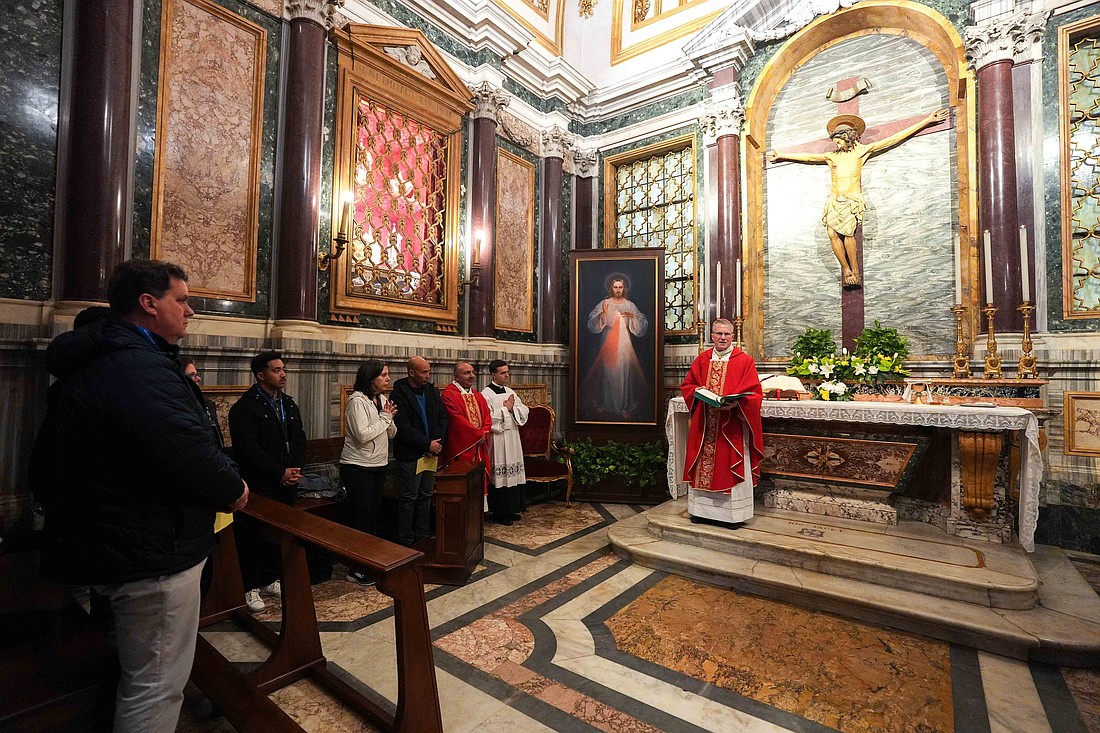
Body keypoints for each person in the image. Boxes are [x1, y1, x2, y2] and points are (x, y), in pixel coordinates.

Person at [30, 259, 248, 733]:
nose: (191, 311)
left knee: (139, 670)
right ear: (149, 304)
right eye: (183, 300)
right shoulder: (136, 368)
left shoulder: (106, 358)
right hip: (150, 550)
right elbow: (188, 450)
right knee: (155, 684)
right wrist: (234, 489)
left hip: (119, 537)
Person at [766, 108, 948, 287]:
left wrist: (927, 120)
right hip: (834, 200)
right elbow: (809, 157)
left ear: (848, 137)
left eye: (839, 141)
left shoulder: (861, 152)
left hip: (851, 200)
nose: (837, 145)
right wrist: (782, 155)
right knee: (831, 234)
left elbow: (893, 139)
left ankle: (855, 271)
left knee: (847, 235)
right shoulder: (832, 157)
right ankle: (846, 270)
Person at [228, 350, 307, 612]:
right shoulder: (245, 407)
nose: (283, 374)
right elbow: (249, 451)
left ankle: (270, 578)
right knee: (253, 535)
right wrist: (278, 473)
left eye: (283, 369)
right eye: (276, 370)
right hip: (261, 483)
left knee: (278, 534)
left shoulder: (289, 404)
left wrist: (294, 469)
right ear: (261, 375)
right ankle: (250, 585)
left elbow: (298, 439)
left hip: (287, 480)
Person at [681, 318, 765, 527]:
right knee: (702, 464)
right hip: (705, 424)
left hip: (731, 425)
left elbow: (754, 394)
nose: (723, 338)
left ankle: (731, 516)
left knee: (730, 463)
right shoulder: (702, 359)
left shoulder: (744, 361)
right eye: (718, 334)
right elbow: (688, 385)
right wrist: (698, 392)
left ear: (733, 336)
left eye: (727, 334)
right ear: (712, 336)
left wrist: (736, 404)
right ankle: (700, 512)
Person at [340, 359, 397, 584]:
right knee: (360, 517)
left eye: (387, 374)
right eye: (383, 375)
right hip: (358, 466)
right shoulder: (356, 401)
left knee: (373, 515)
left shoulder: (381, 399)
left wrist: (389, 418)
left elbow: (391, 433)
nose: (387, 378)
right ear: (370, 377)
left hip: (378, 465)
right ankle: (356, 568)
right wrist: (385, 418)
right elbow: (362, 436)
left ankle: (369, 561)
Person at [390, 356, 447, 546]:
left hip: (431, 452)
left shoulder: (431, 391)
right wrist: (426, 444)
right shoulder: (399, 393)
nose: (427, 376)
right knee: (409, 496)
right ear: (411, 372)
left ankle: (422, 534)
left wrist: (435, 443)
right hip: (410, 454)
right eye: (424, 372)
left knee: (426, 494)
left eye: (429, 371)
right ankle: (406, 538)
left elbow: (442, 418)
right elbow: (403, 427)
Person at [583, 273, 649, 420]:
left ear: (624, 288)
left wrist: (632, 317)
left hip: (624, 342)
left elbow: (641, 321)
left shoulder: (629, 305)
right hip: (608, 340)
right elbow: (592, 322)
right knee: (608, 372)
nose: (618, 290)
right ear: (611, 288)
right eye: (615, 287)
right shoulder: (604, 303)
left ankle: (623, 406)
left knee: (624, 372)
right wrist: (602, 315)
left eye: (620, 287)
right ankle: (606, 404)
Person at [441, 360, 493, 516]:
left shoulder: (477, 396)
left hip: (479, 447)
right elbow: (456, 420)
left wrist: (485, 432)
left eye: (472, 372)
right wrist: (478, 435)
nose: (471, 376)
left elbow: (487, 417)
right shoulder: (449, 395)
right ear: (456, 376)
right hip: (462, 447)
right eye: (466, 373)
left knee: (478, 480)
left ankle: (476, 517)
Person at [480, 359, 529, 525]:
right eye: (503, 372)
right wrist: (505, 409)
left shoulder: (510, 391)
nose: (507, 375)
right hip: (498, 439)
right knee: (500, 475)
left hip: (513, 437)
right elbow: (486, 418)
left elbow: (523, 410)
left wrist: (513, 408)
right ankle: (500, 513)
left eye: (507, 372)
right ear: (493, 374)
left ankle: (512, 509)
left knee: (513, 473)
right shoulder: (485, 394)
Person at [179, 355, 224, 448]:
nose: (198, 379)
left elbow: (217, 440)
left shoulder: (207, 404)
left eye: (197, 374)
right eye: (192, 375)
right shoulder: (177, 408)